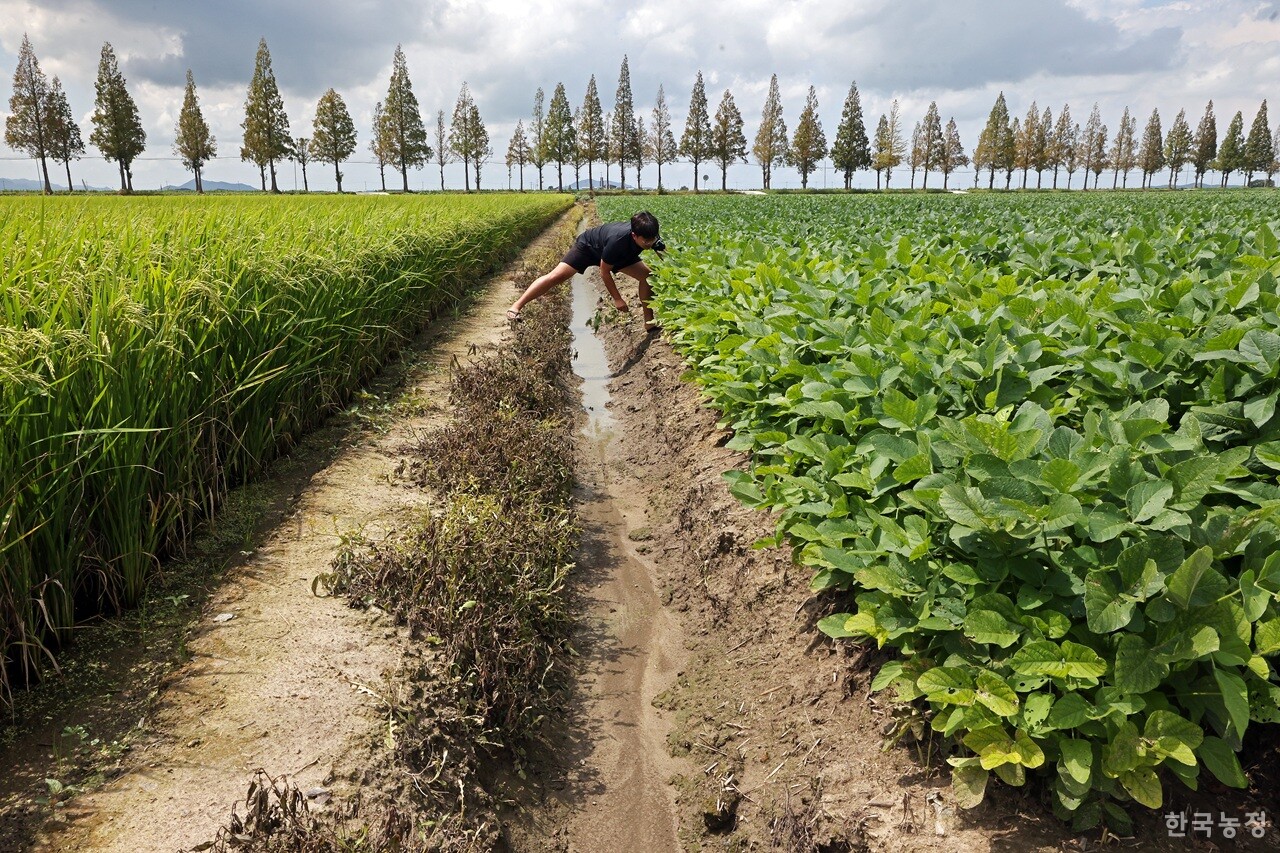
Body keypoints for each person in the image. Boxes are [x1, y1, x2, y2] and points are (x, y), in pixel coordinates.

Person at [506, 210, 666, 332]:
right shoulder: (617, 242)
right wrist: (618, 299)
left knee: (647, 276)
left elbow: (664, 253)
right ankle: (516, 306)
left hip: (621, 254)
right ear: (634, 235)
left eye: (653, 239)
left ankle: (649, 323)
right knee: (557, 276)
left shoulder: (650, 234)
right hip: (589, 247)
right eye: (646, 241)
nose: (650, 243)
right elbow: (604, 272)